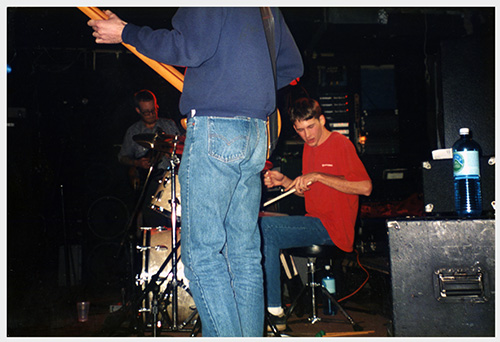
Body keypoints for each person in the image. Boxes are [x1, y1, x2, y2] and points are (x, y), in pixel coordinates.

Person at [88, 8, 303, 337]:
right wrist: (246, 86)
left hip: (217, 125)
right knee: (243, 253)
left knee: (202, 254)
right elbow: (290, 66)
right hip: (257, 132)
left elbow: (189, 48)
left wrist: (125, 32)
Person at [260, 97, 372, 330]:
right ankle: (271, 307)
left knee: (267, 229)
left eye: (311, 127)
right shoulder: (307, 148)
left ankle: (273, 310)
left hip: (333, 228)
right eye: (300, 130)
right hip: (315, 223)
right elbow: (307, 192)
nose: (307, 135)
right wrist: (285, 182)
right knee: (262, 224)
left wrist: (319, 175)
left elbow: (365, 187)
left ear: (321, 120)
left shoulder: (341, 144)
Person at [118, 89, 180, 227]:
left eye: (153, 110)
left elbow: (181, 148)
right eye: (147, 112)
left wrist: (169, 151)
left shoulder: (168, 125)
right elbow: (122, 157)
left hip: (169, 179)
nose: (151, 114)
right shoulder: (133, 131)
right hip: (147, 182)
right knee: (148, 218)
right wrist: (137, 163)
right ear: (138, 111)